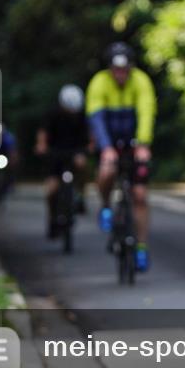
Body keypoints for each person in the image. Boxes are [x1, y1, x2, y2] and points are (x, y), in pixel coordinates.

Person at [85, 42, 156, 271]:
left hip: (134, 143)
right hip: (109, 141)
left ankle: (142, 249)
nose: (121, 75)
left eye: (125, 70)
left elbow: (146, 112)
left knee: (140, 195)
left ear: (131, 68)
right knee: (106, 171)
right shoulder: (99, 82)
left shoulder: (141, 81)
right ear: (109, 69)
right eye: (116, 70)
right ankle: (105, 205)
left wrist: (143, 144)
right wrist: (106, 147)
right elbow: (96, 118)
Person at [35, 84, 91, 238]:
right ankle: (52, 218)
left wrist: (88, 149)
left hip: (75, 152)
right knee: (51, 191)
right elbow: (43, 134)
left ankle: (80, 196)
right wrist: (42, 146)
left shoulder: (82, 116)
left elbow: (90, 137)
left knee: (83, 166)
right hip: (55, 155)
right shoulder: (52, 114)